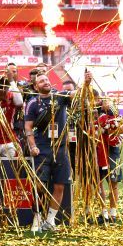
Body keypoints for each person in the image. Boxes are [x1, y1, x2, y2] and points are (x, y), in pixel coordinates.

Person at [24, 73, 72, 232]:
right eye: (41, 81)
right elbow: (28, 127)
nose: (45, 82)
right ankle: (37, 217)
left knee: (60, 186)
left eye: (46, 79)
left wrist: (86, 83)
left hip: (61, 147)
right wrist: (32, 146)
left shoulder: (60, 96)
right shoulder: (32, 103)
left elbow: (75, 95)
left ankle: (50, 221)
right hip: (42, 148)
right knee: (38, 185)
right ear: (36, 86)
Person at [97, 97, 123, 224]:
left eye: (109, 101)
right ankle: (104, 213)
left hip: (113, 154)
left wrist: (114, 128)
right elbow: (95, 133)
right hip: (100, 152)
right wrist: (100, 130)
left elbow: (121, 134)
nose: (107, 103)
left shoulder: (120, 118)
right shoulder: (99, 118)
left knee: (113, 183)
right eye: (104, 101)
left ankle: (113, 213)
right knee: (99, 183)